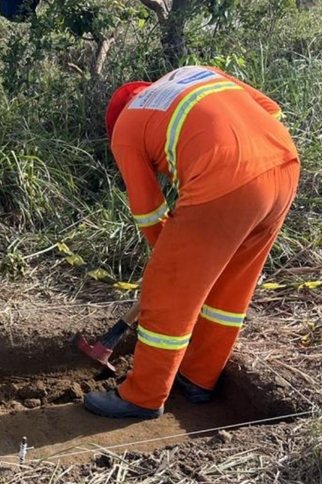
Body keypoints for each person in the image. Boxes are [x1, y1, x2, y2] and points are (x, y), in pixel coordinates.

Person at [84, 66, 300, 419]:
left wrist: (171, 266)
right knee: (231, 287)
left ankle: (142, 397)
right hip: (283, 165)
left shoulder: (126, 128)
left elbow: (149, 212)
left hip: (226, 176)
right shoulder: (193, 74)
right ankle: (199, 378)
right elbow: (272, 110)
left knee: (167, 292)